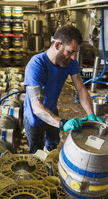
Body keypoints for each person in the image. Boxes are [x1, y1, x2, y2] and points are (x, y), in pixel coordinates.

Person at [23, 24, 102, 154]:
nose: (73, 57)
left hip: (52, 109)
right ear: (58, 45)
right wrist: (62, 124)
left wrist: (90, 114)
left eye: (75, 53)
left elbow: (81, 89)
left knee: (53, 142)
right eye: (70, 51)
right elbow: (37, 107)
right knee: (36, 152)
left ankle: (50, 159)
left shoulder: (70, 62)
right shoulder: (36, 65)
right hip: (34, 116)